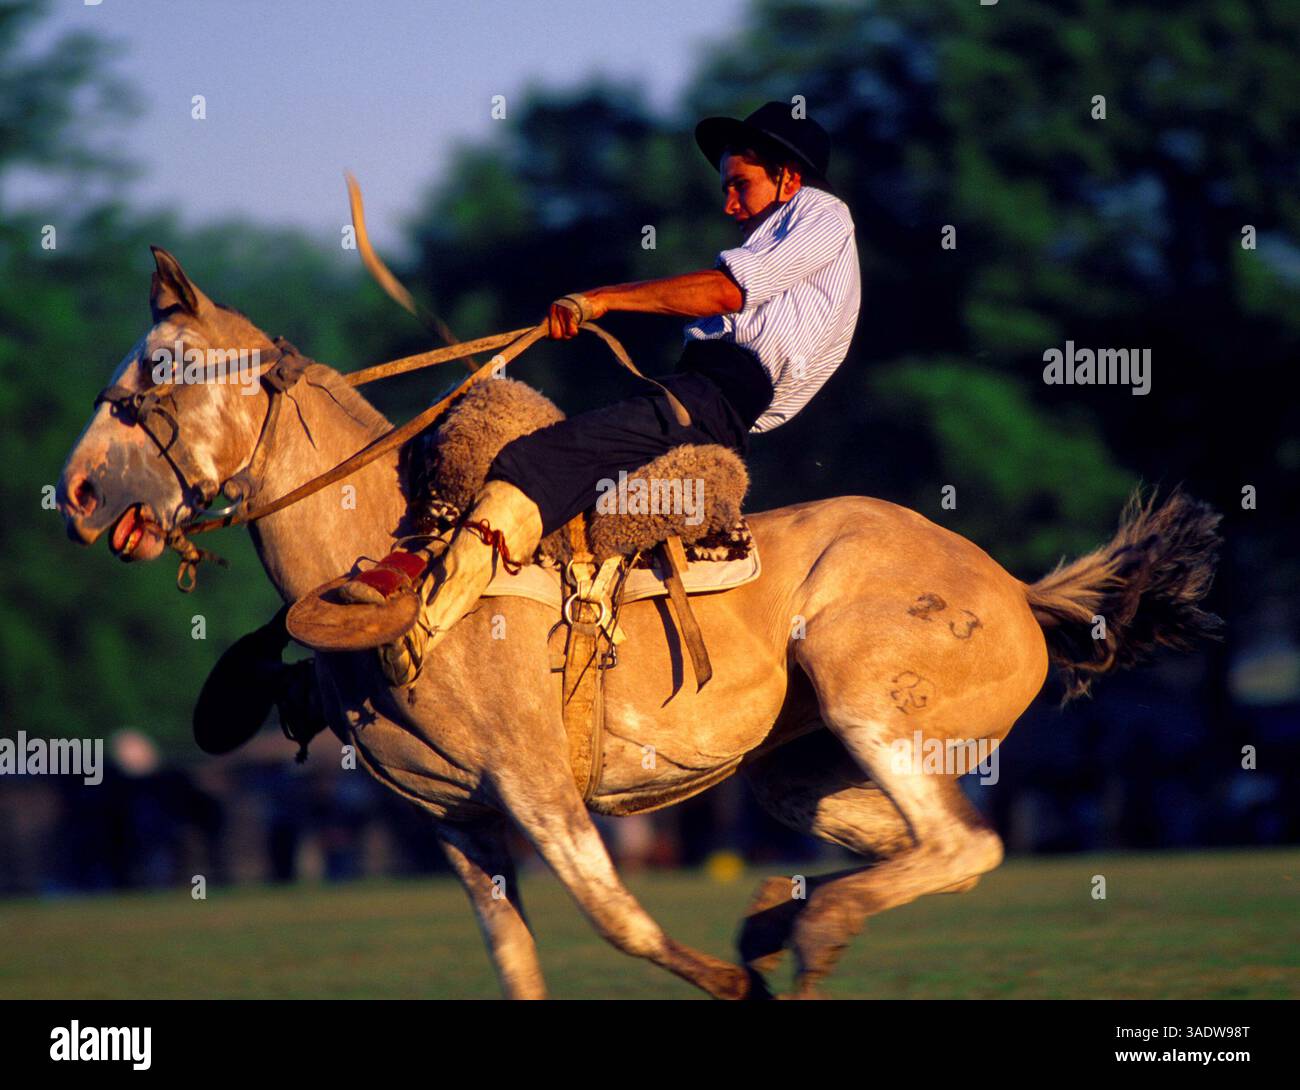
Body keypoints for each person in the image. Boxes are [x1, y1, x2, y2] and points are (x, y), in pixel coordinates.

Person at [300, 101, 861, 670]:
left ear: (789, 179)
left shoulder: (823, 212)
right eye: (726, 189)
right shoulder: (791, 247)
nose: (729, 204)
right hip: (704, 404)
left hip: (705, 404)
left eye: (741, 185)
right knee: (551, 469)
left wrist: (600, 300)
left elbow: (726, 293)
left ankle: (421, 629)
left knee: (531, 461)